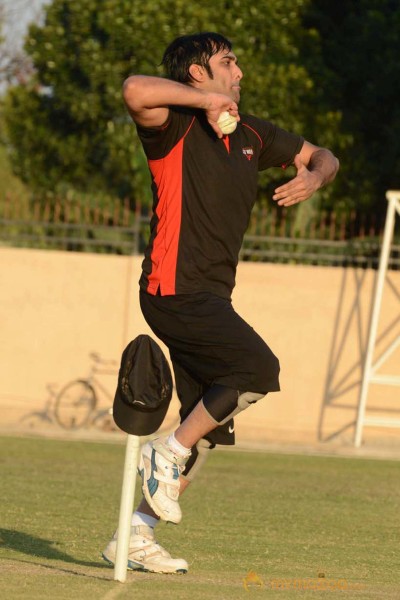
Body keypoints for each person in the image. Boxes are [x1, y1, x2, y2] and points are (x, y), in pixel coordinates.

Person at [102, 32, 339, 574]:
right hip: (173, 288)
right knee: (256, 368)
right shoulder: (173, 124)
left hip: (211, 295)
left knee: (208, 425)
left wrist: (314, 177)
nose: (239, 72)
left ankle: (135, 533)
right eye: (227, 63)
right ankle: (165, 452)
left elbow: (324, 155)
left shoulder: (253, 134)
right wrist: (208, 104)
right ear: (196, 74)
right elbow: (134, 88)